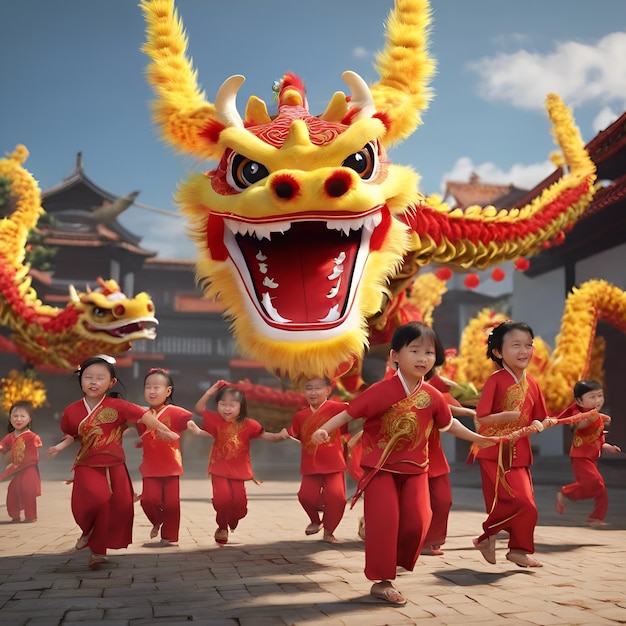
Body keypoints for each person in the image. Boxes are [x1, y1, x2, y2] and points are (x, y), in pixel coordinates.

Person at [310, 321, 497, 606]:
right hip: (380, 470)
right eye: (415, 351)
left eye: (429, 353)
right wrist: (325, 430)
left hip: (416, 471)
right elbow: (349, 414)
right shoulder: (379, 391)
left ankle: (394, 561)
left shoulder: (433, 396)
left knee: (419, 521)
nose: (423, 358)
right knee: (385, 523)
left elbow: (449, 424)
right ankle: (383, 582)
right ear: (395, 355)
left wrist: (477, 438)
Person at [46, 355, 178, 570]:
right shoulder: (72, 411)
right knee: (96, 502)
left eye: (100, 378)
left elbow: (145, 417)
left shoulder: (118, 406)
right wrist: (58, 448)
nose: (93, 382)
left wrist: (166, 431)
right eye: (88, 377)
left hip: (115, 465)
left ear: (111, 382)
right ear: (81, 380)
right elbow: (70, 435)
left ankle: (98, 552)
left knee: (117, 507)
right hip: (87, 464)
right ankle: (88, 530)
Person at [468, 320, 553, 569]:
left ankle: (518, 550)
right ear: (498, 352)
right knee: (516, 503)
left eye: (528, 345)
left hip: (521, 454)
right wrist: (507, 417)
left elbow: (540, 416)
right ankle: (486, 537)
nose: (524, 351)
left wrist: (542, 423)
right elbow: (482, 417)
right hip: (494, 451)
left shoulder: (533, 384)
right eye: (516, 345)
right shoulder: (495, 381)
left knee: (529, 506)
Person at [190, 381, 288, 545]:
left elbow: (269, 436)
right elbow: (199, 409)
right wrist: (209, 392)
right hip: (218, 469)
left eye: (232, 405)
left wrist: (281, 435)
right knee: (222, 499)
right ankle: (222, 527)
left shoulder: (250, 425)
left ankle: (234, 518)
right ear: (218, 405)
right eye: (223, 404)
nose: (227, 409)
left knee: (240, 505)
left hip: (239, 472)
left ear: (241, 406)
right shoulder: (215, 420)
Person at [287, 377, 349, 543]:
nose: (313, 392)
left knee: (337, 498)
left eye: (318, 388)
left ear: (328, 390)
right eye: (308, 388)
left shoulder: (340, 409)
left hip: (333, 463)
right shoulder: (300, 416)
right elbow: (296, 435)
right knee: (305, 496)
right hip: (310, 464)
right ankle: (315, 520)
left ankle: (329, 531)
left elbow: (347, 425)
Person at [136, 368, 194, 546]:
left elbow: (190, 425)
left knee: (172, 504)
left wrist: (198, 431)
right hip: (150, 466)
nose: (152, 391)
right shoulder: (141, 414)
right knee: (148, 500)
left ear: (168, 391)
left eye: (156, 387)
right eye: (148, 387)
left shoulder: (176, 412)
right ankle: (157, 520)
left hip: (171, 466)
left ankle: (170, 536)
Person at [422, 371, 477, 556]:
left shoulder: (433, 388)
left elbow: (446, 408)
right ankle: (416, 542)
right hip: (407, 458)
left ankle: (431, 540)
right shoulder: (396, 386)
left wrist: (469, 412)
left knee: (443, 501)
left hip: (434, 457)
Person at [556, 379, 621, 527]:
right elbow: (579, 425)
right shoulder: (578, 413)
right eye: (592, 397)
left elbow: (598, 439)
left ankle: (596, 517)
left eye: (600, 396)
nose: (597, 400)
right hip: (580, 457)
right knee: (596, 484)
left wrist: (607, 446)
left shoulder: (596, 417)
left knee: (600, 490)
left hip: (592, 458)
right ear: (579, 400)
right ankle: (565, 492)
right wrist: (593, 417)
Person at [0, 401, 42, 523]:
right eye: (15, 416)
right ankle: (15, 515)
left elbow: (32, 452)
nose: (18, 419)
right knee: (12, 491)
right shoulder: (10, 437)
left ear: (29, 418)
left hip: (29, 469)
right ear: (10, 418)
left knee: (27, 489)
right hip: (15, 470)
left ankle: (31, 516)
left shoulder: (32, 437)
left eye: (22, 416)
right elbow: (3, 445)